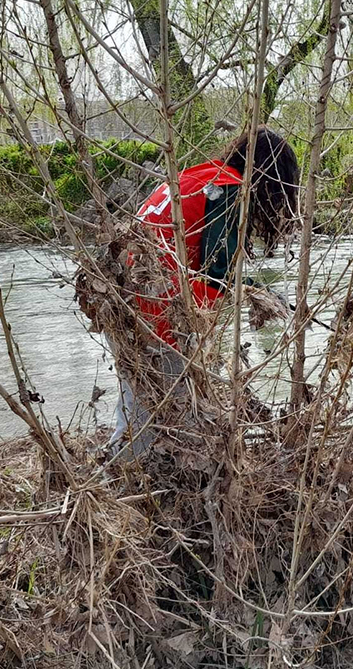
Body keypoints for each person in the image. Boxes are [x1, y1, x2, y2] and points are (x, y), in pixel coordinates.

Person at [108, 127, 298, 457]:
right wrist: (263, 297)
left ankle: (145, 479)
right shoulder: (227, 191)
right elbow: (215, 275)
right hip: (155, 307)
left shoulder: (198, 176)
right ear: (272, 178)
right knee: (150, 417)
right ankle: (112, 485)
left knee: (146, 404)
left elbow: (203, 261)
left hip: (118, 294)